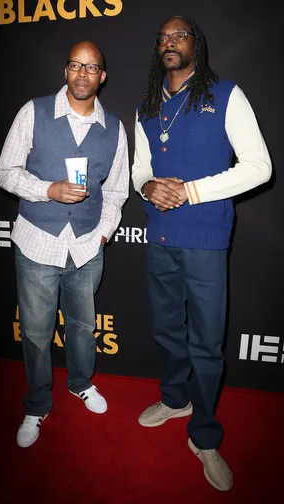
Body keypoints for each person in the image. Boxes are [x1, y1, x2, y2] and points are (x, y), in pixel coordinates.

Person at [132, 14, 271, 491]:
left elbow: (259, 167)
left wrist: (191, 191)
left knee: (207, 343)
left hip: (207, 237)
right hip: (160, 236)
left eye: (179, 35)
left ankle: (205, 435)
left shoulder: (227, 95)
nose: (170, 42)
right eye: (163, 37)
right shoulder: (147, 105)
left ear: (196, 43)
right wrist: (148, 186)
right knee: (168, 330)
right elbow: (138, 169)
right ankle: (176, 399)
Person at [0, 40, 129, 448]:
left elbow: (119, 191)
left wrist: (102, 235)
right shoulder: (32, 113)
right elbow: (5, 171)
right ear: (65, 71)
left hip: (87, 246)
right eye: (75, 65)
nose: (82, 73)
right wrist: (47, 190)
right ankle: (36, 405)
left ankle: (81, 384)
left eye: (91, 67)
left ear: (102, 76)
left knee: (84, 328)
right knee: (36, 332)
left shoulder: (115, 128)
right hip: (37, 242)